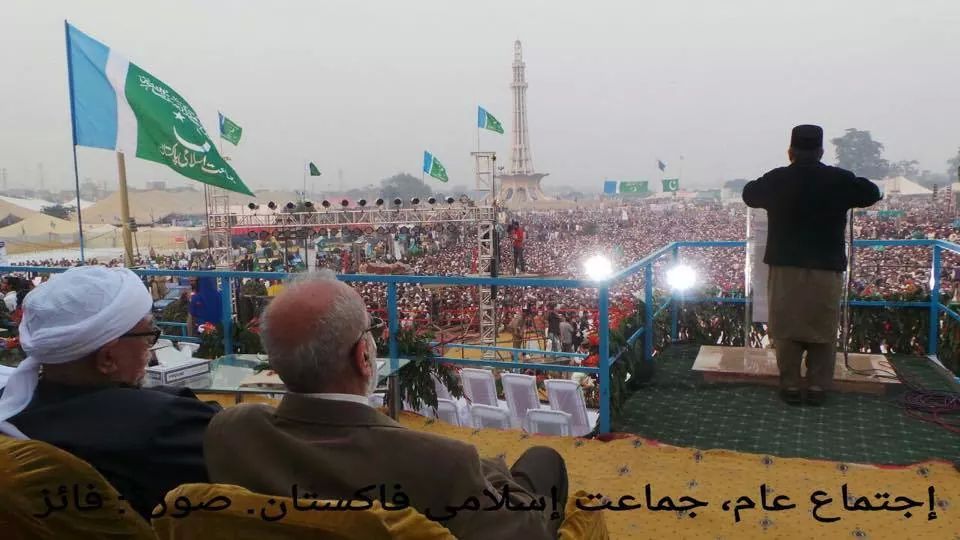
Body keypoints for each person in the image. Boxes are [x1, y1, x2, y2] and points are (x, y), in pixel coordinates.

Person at [204, 271, 568, 539]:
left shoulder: (231, 432)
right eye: (370, 330)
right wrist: (491, 472)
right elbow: (526, 532)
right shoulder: (442, 462)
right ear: (364, 357)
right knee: (543, 460)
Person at [0, 266, 219, 518]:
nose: (150, 350)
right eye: (148, 336)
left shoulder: (12, 410)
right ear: (107, 358)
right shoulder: (164, 425)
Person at [742, 124, 882, 405]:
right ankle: (818, 386)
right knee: (823, 326)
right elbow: (872, 192)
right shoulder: (839, 179)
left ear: (790, 151)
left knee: (786, 326)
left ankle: (791, 385)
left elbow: (749, 194)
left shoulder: (778, 179)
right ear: (820, 151)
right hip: (826, 266)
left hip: (786, 267)